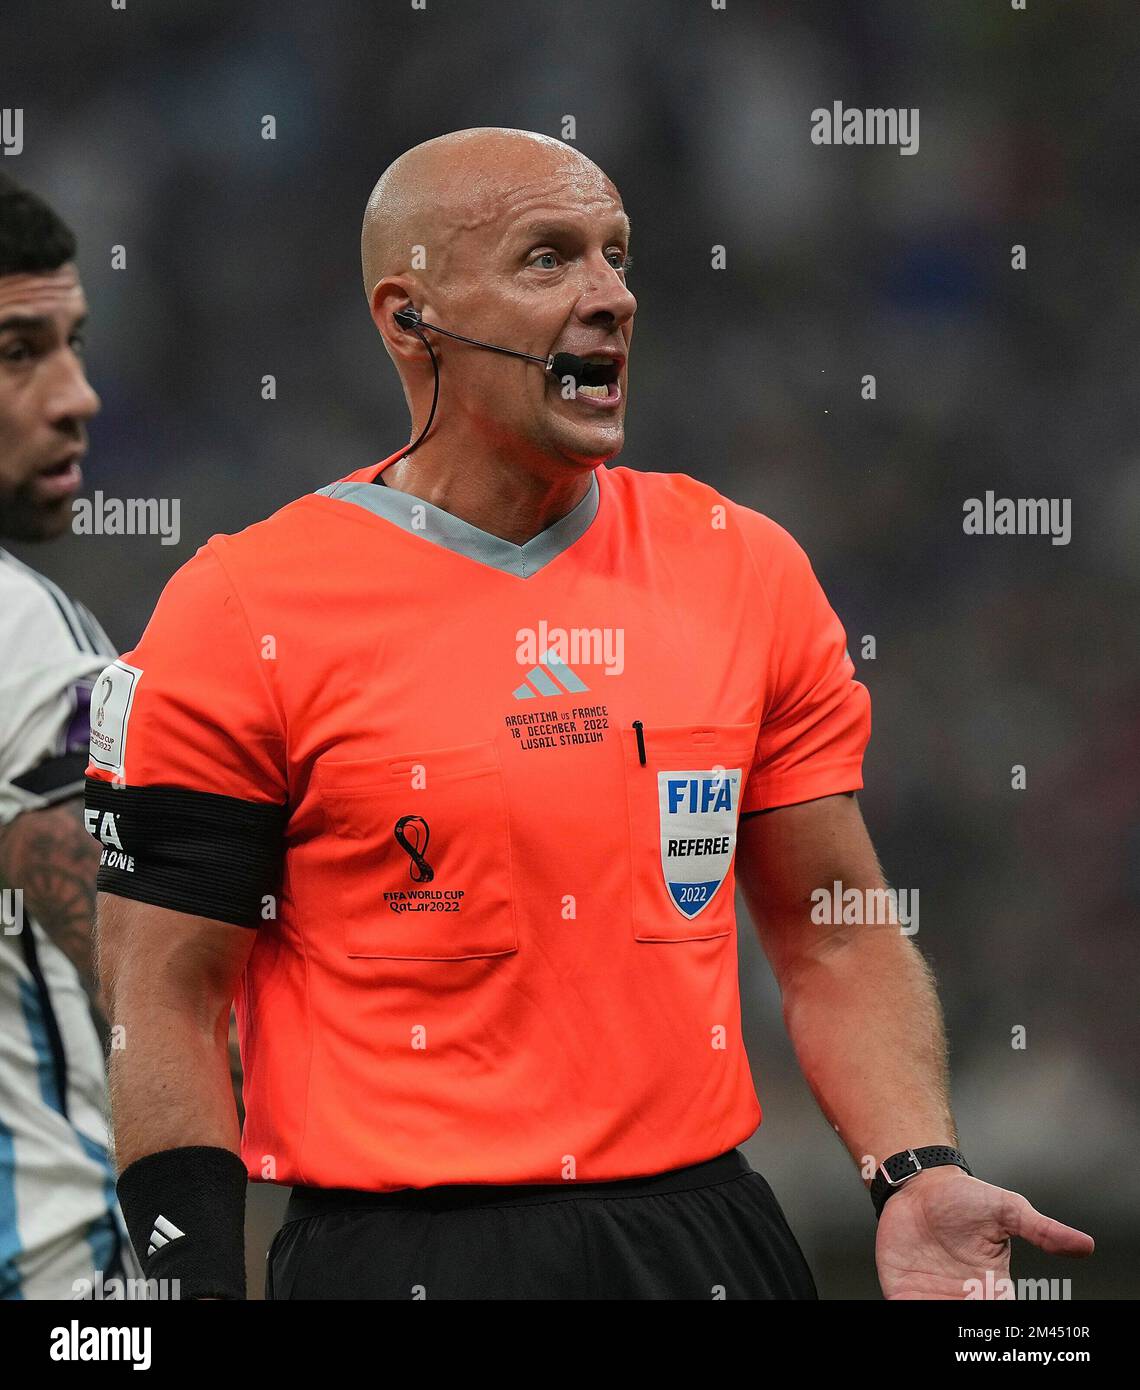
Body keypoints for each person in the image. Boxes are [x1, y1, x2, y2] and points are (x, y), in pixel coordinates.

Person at [86, 128, 1093, 1300]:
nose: (612, 297)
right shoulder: (241, 607)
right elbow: (164, 991)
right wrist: (186, 1285)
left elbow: (832, 925)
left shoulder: (743, 568)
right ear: (409, 318)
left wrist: (915, 1169)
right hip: (398, 1256)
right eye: (548, 258)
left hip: (705, 1239)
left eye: (618, 256)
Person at [0, 172, 137, 1298]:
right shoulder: (26, 634)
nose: (77, 394)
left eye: (74, 344)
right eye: (17, 350)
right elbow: (154, 989)